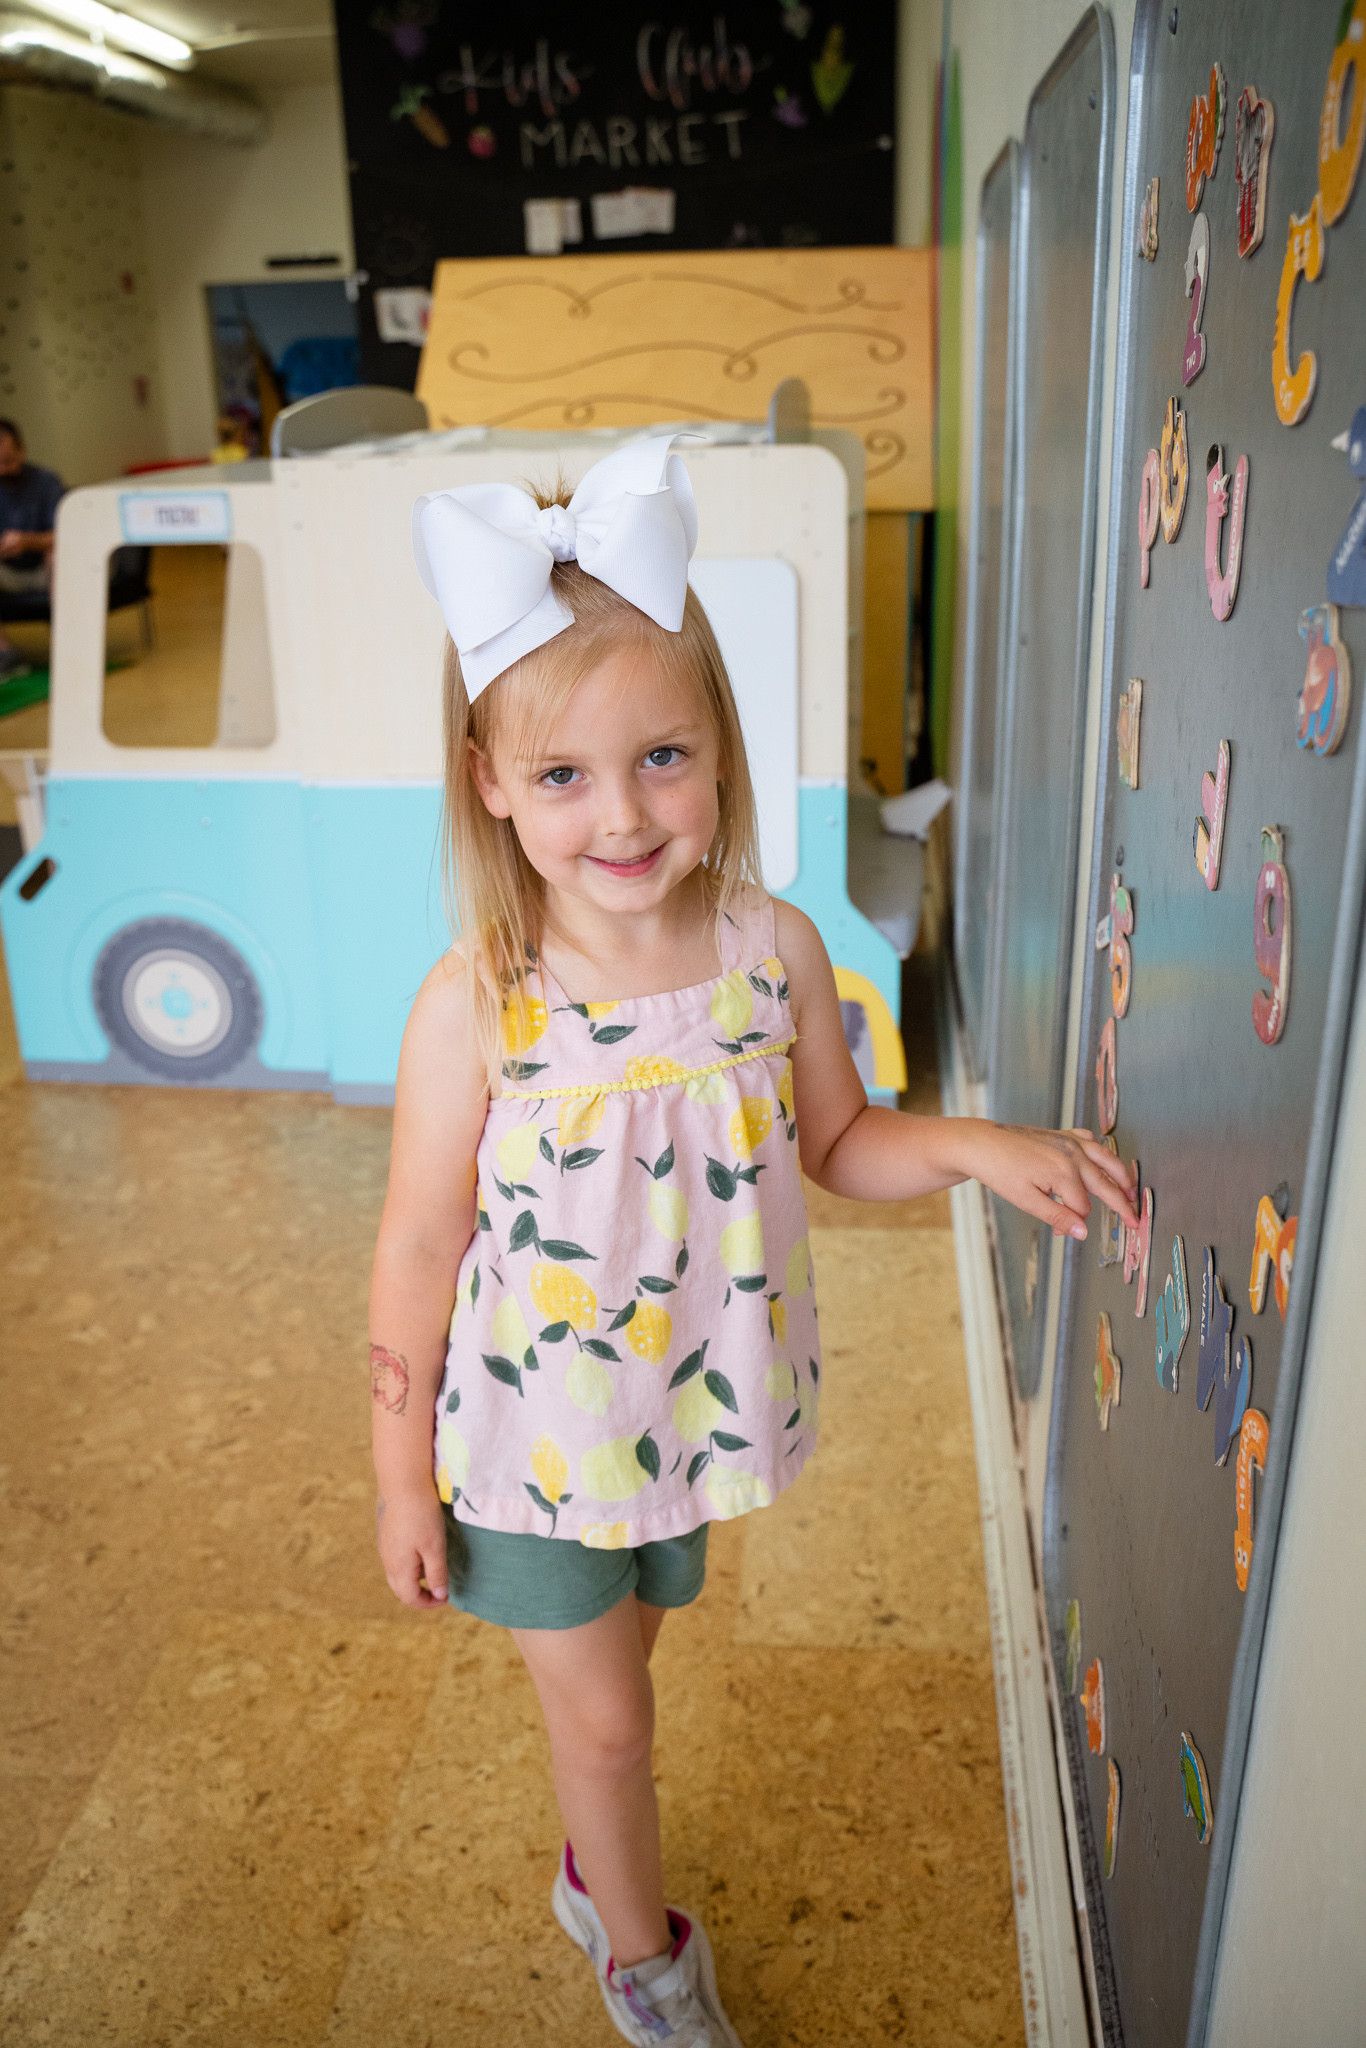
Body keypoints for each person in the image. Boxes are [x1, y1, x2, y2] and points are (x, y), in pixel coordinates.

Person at [369, 432, 1139, 2046]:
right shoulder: (478, 1003)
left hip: (677, 1416)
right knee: (612, 1722)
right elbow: (418, 1241)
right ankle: (638, 1952)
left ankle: (603, 1859)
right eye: (564, 773)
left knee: (632, 1659)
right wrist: (393, 1473)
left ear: (719, 739)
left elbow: (840, 1138)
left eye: (662, 753)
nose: (624, 811)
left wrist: (984, 1143)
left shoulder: (765, 947)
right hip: (523, 1444)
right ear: (490, 778)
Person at [0, 418, 65, 684]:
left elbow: (64, 535)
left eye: (9, 459)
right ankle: (5, 653)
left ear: (22, 451)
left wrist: (27, 541)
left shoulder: (46, 482)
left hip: (42, 567)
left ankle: (66, 644)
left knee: (59, 554)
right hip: (7, 572)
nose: (4, 467)